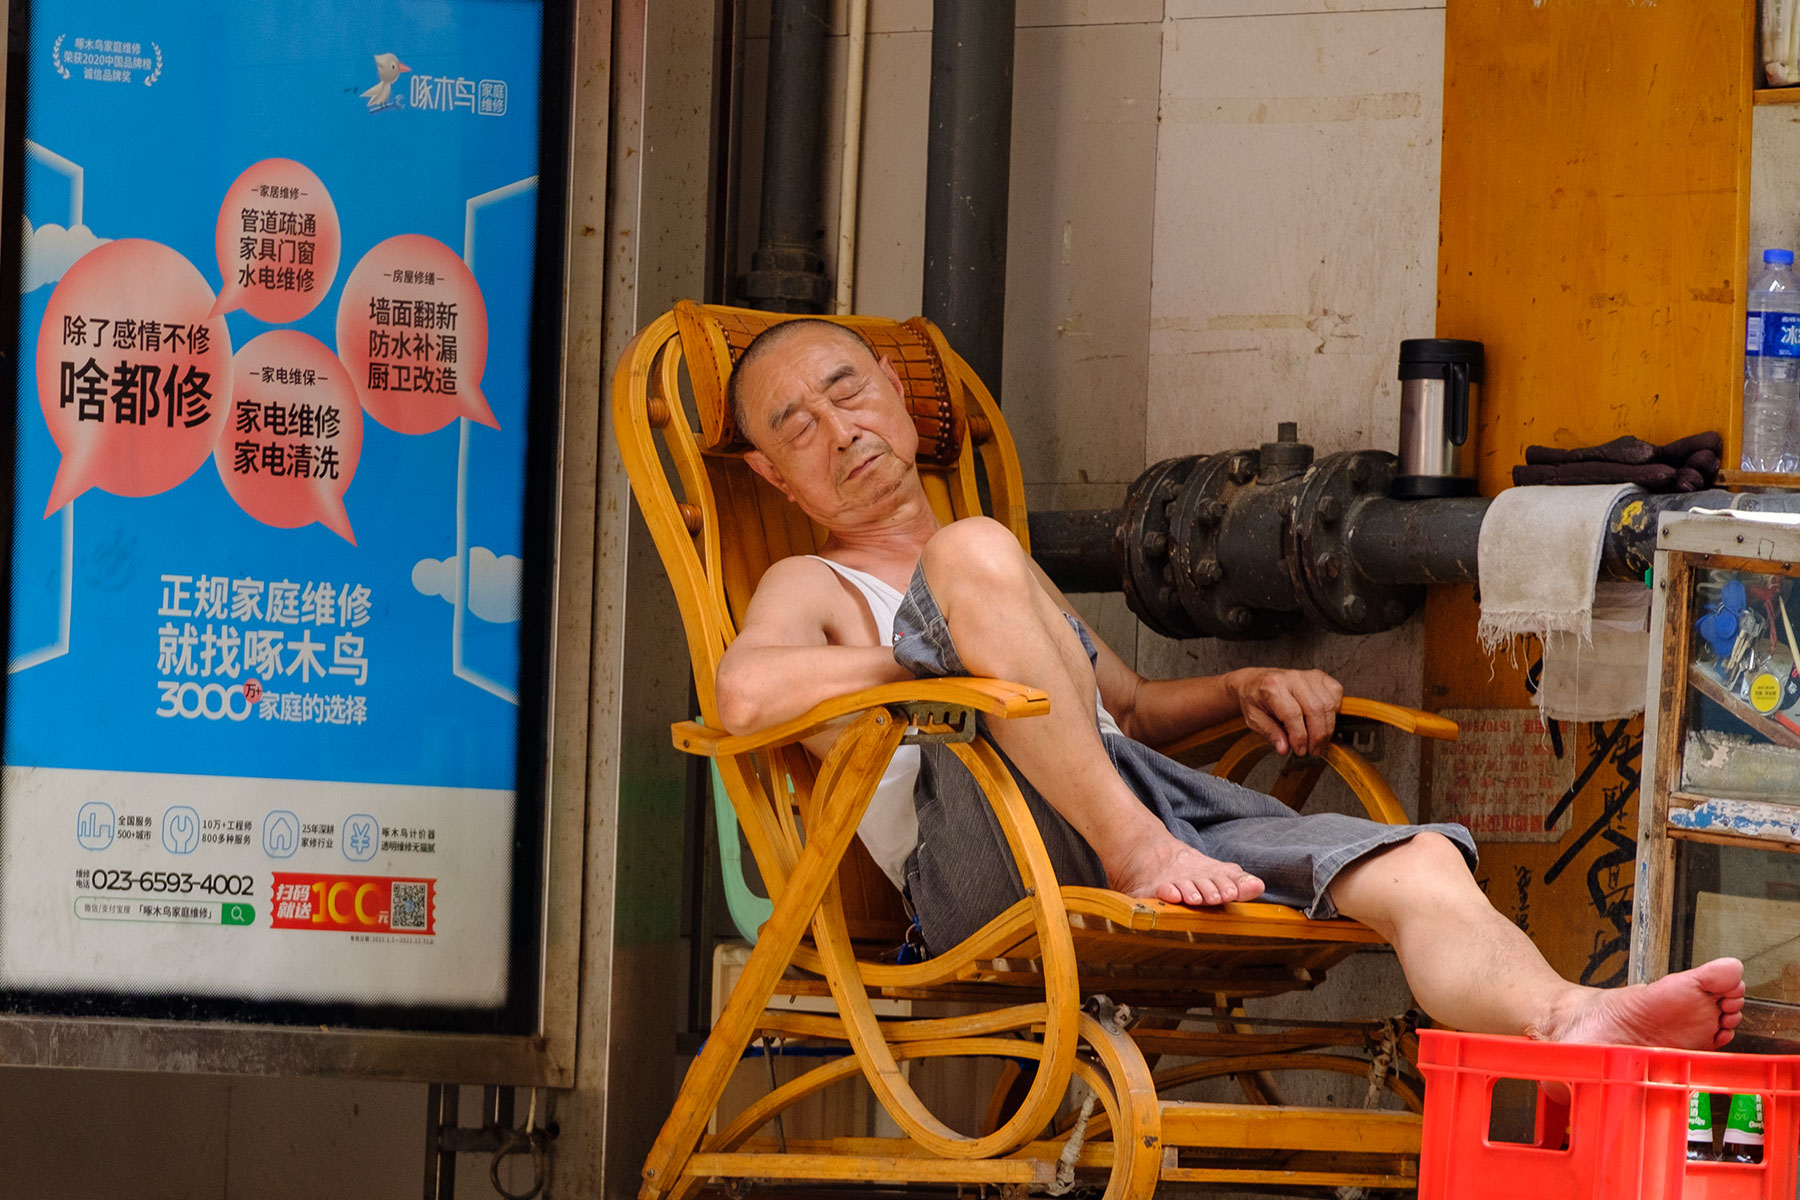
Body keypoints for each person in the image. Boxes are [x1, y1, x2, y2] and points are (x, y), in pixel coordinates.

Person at [713, 318, 1745, 1051]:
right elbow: (743, 700)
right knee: (975, 551)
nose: (838, 428)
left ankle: (1565, 1016)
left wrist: (1243, 682)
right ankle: (1138, 850)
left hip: (1129, 797)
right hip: (987, 854)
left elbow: (1130, 712)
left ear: (896, 396)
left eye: (847, 390)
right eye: (795, 425)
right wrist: (932, 656)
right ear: (773, 476)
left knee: (1422, 861)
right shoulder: (819, 583)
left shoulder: (994, 569)